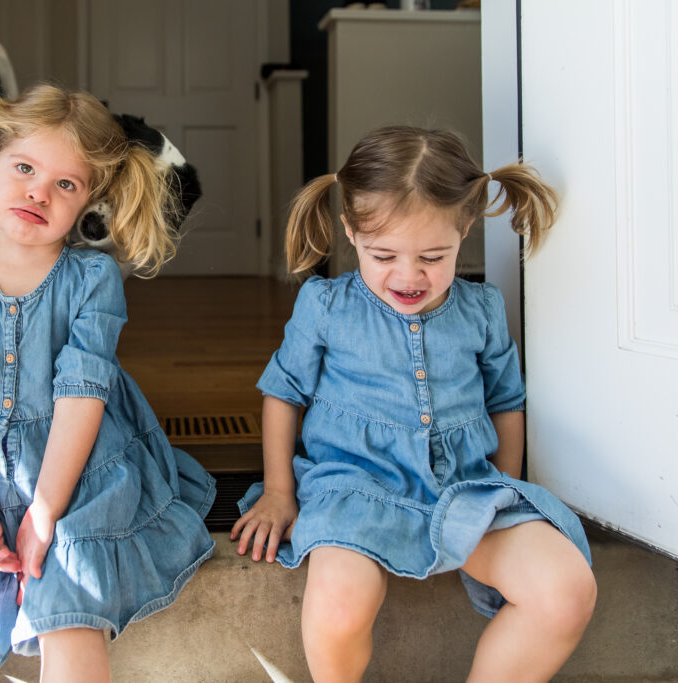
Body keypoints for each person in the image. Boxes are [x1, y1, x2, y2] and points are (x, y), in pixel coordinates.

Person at [0, 84, 216, 682]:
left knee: (71, 625)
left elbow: (83, 394)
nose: (37, 192)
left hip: (77, 475)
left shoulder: (94, 279)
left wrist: (47, 511)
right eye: (24, 168)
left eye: (65, 185)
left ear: (88, 203)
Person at [230, 126, 596, 682]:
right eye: (384, 255)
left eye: (432, 255)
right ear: (351, 232)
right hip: (353, 489)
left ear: (465, 229)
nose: (408, 276)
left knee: (566, 590)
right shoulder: (326, 305)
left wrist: (503, 487)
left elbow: (507, 402)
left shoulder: (482, 309)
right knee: (338, 604)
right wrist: (281, 491)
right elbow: (283, 392)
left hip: (464, 489)